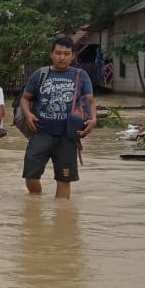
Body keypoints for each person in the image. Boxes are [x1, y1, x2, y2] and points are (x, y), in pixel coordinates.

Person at [19, 37, 96, 199]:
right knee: (30, 176)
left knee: (63, 180)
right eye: (58, 53)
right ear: (51, 54)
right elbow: (25, 98)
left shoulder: (80, 75)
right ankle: (35, 201)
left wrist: (93, 119)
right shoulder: (40, 74)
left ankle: (62, 218)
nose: (62, 57)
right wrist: (28, 114)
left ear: (73, 56)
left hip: (67, 136)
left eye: (66, 53)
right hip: (41, 132)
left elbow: (90, 100)